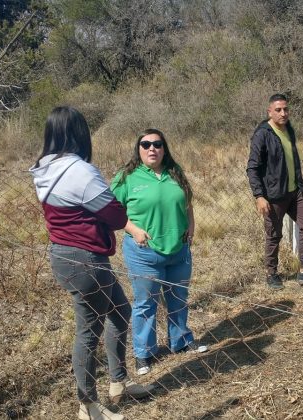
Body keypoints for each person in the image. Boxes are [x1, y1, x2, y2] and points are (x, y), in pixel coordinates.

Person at [30, 107, 151, 420]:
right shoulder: (80, 171)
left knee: (120, 312)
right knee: (88, 332)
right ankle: (88, 406)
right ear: (79, 134)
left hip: (65, 255)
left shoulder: (43, 168)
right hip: (85, 260)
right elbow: (114, 215)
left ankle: (118, 382)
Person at [111, 128, 207, 377]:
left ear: (165, 148)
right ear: (138, 149)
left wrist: (191, 227)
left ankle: (180, 341)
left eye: (157, 144)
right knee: (146, 303)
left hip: (179, 251)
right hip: (144, 253)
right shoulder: (127, 177)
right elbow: (110, 211)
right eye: (146, 144)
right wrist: (133, 229)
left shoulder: (175, 173)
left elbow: (187, 204)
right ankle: (144, 353)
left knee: (178, 298)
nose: (152, 149)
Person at [246, 93, 303, 290]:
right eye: (278, 110)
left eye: (286, 109)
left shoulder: (288, 129)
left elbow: (292, 161)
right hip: (273, 195)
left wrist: (302, 184)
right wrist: (259, 196)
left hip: (294, 192)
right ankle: (271, 274)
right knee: (274, 234)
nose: (283, 113)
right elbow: (252, 168)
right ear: (270, 112)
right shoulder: (263, 134)